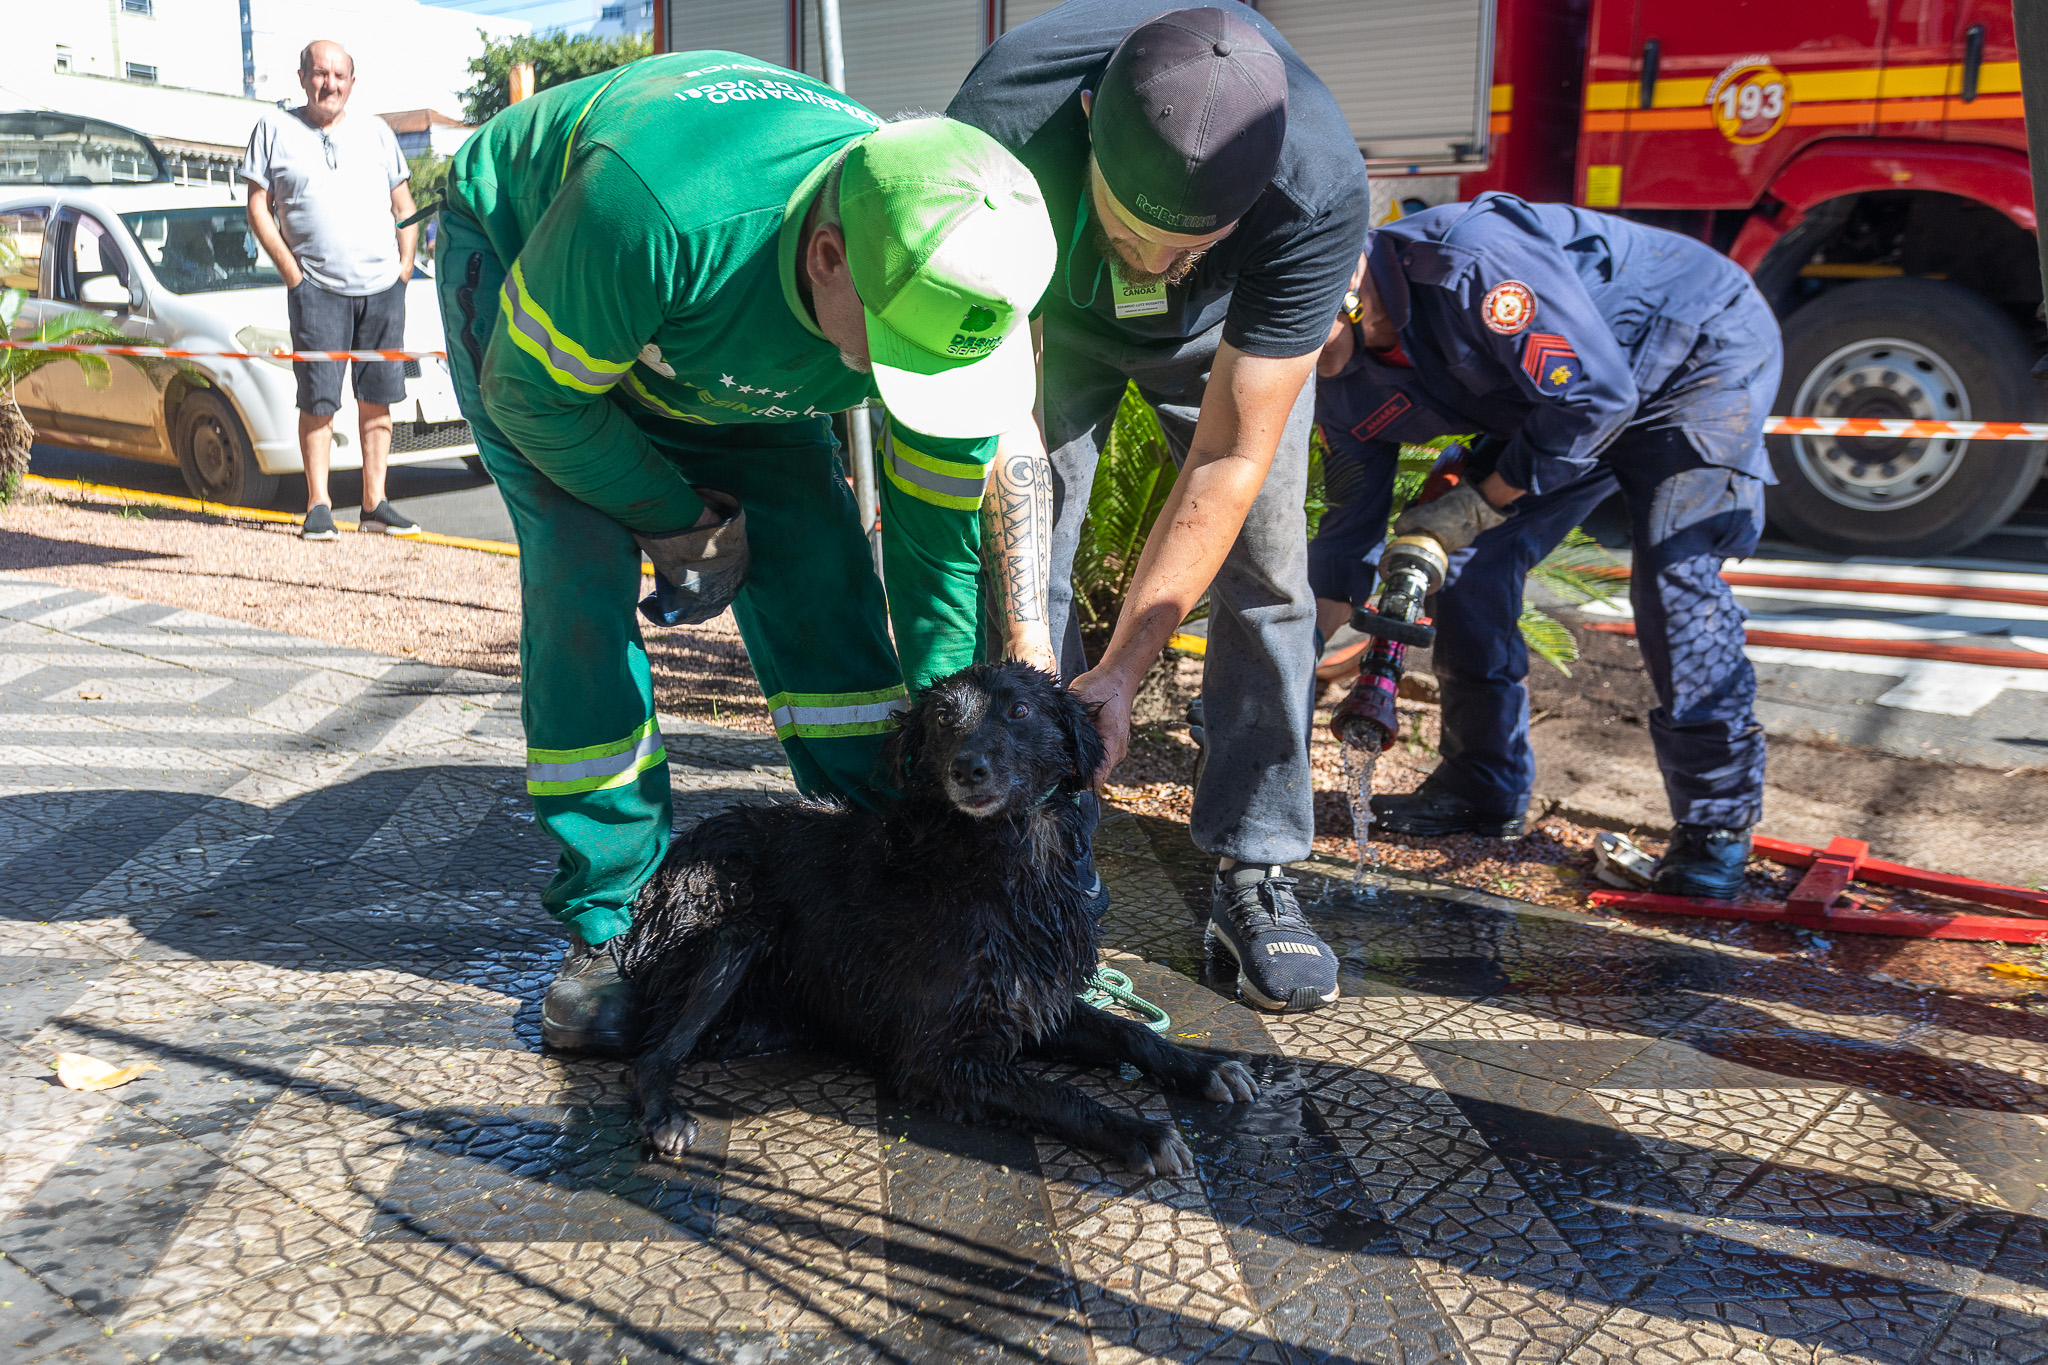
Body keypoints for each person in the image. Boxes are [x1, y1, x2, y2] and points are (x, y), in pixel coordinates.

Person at [435, 52, 1057, 1053]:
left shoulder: (948, 273)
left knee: (818, 567)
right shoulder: (650, 211)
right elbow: (533, 399)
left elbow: (933, 557)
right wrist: (675, 515)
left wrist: (952, 782)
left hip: (719, 342)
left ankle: (883, 842)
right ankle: (610, 918)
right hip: (536, 284)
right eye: (890, 353)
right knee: (579, 574)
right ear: (825, 255)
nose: (904, 386)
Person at [948, 2, 1367, 1014]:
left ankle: (1255, 865)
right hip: (1052, 316)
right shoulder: (1000, 128)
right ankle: (1038, 843)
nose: (1149, 264)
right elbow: (1003, 431)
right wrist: (1033, 664)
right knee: (1023, 548)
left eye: (1181, 245)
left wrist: (1123, 671)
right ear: (1087, 121)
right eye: (1132, 232)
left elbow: (1227, 458)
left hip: (1225, 343)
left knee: (1269, 569)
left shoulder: (1314, 189)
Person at [1311, 192, 1779, 898]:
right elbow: (1347, 540)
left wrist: (1481, 500)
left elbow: (1597, 399)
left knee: (1675, 577)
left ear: (1341, 288)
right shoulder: (1340, 388)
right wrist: (1289, 672)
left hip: (1695, 353)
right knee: (1467, 566)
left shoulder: (1470, 263)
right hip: (1560, 408)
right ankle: (1481, 783)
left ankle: (1715, 826)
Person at [242, 39, 420, 540]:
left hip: (382, 288)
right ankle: (319, 504)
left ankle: (375, 503)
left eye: (340, 76)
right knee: (318, 400)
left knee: (378, 399)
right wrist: (292, 275)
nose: (330, 85)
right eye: (321, 74)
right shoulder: (274, 129)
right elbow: (258, 207)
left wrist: (405, 267)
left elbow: (404, 204)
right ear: (302, 77)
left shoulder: (377, 133)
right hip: (317, 289)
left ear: (352, 82)